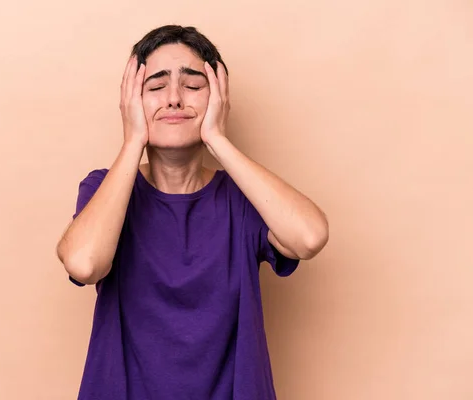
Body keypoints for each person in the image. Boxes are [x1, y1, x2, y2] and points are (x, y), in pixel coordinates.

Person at [56, 25, 329, 400]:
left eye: (193, 86)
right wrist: (133, 139)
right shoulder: (105, 189)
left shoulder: (242, 197)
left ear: (219, 97)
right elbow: (84, 263)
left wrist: (217, 138)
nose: (173, 99)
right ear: (130, 101)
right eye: (155, 87)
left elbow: (309, 237)